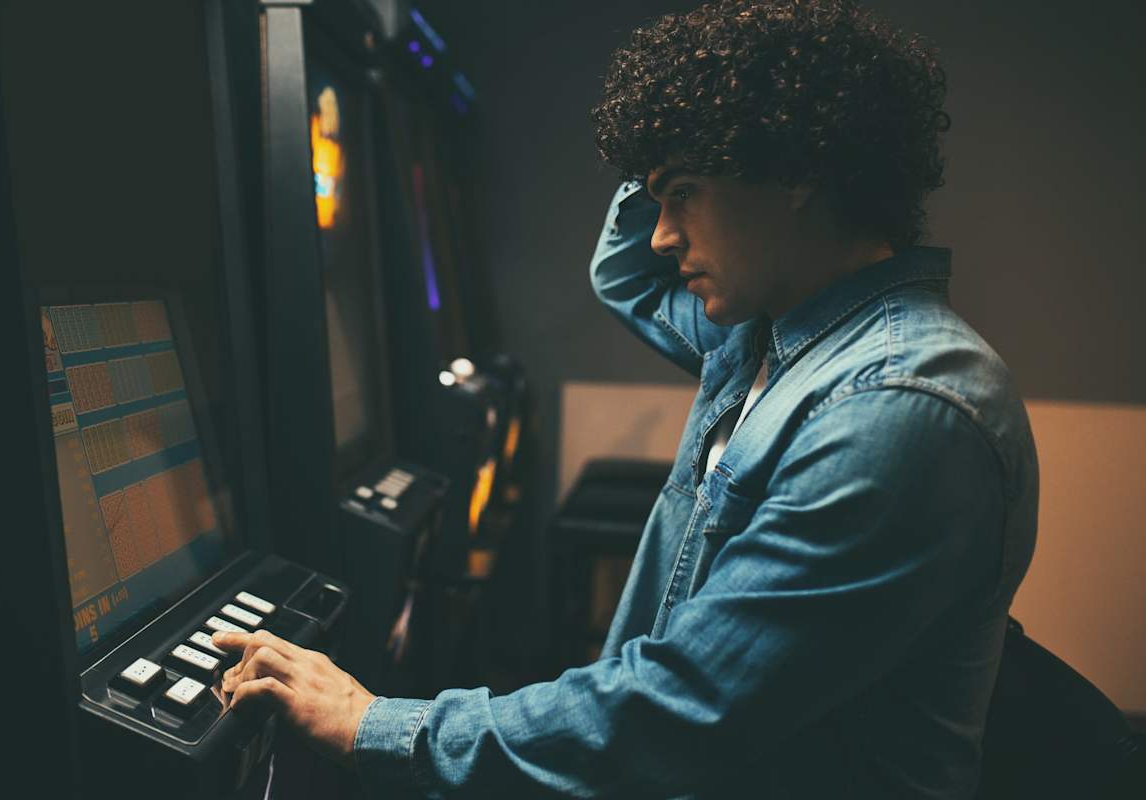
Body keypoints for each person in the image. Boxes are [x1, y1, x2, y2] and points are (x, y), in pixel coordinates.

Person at [213, 1, 1038, 796]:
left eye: (683, 192)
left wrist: (373, 723)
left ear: (793, 169)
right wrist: (681, 135)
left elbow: (682, 708)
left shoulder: (896, 408)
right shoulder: (766, 337)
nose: (662, 232)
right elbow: (623, 273)